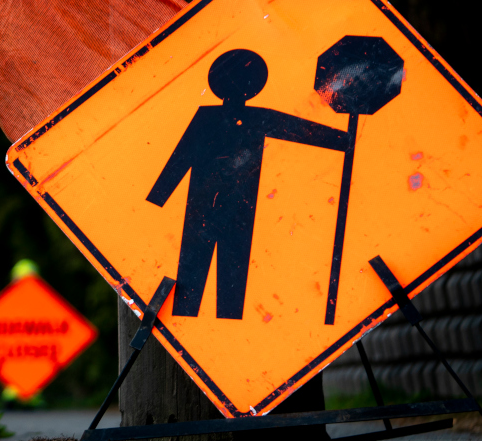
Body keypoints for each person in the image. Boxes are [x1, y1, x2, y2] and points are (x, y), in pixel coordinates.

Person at [147, 49, 348, 320]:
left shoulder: (246, 117)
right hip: (208, 208)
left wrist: (343, 140)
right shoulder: (215, 118)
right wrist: (157, 197)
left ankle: (223, 323)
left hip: (235, 209)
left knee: (229, 276)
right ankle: (196, 319)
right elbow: (180, 158)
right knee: (196, 277)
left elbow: (298, 129)